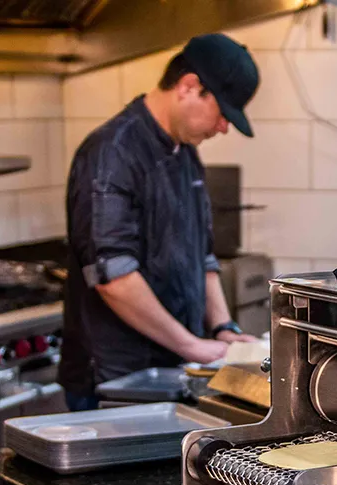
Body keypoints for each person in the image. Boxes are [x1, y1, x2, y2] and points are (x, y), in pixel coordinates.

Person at [59, 34, 260, 411]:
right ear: (189, 87)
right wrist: (193, 345)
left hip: (171, 369)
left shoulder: (184, 154)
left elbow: (203, 255)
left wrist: (223, 329)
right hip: (116, 381)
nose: (223, 128)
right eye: (222, 114)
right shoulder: (112, 152)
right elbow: (113, 277)